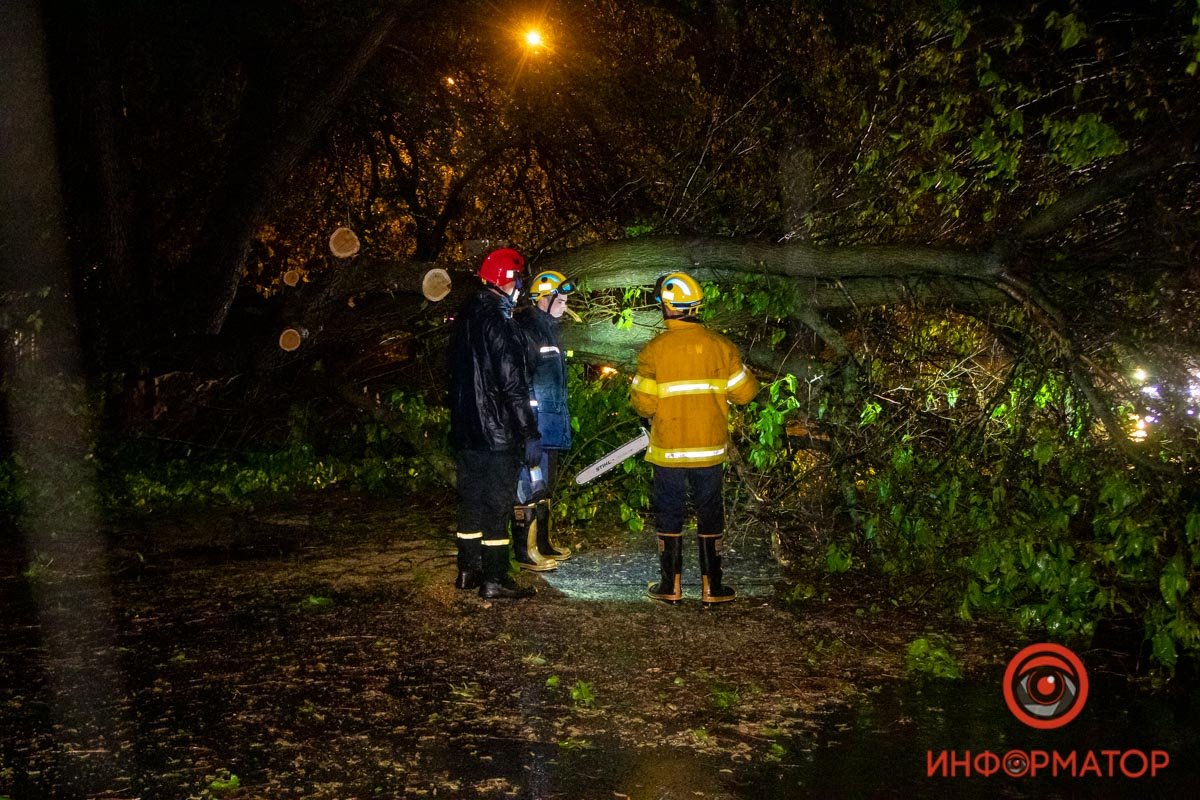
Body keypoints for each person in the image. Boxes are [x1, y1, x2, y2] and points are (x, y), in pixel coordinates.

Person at [630, 272, 760, 604]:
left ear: (667, 307)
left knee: (669, 511)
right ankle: (712, 587)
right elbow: (745, 393)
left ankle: (670, 586)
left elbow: (643, 404)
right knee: (710, 511)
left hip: (669, 451)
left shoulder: (653, 351)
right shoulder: (722, 347)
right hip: (709, 451)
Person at [448, 247, 542, 600]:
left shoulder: (464, 318)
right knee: (497, 506)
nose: (520, 288)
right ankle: (495, 578)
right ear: (509, 281)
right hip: (497, 433)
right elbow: (512, 384)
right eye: (518, 281)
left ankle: (467, 571)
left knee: (470, 502)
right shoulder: (499, 322)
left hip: (466, 431)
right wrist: (529, 431)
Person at [510, 270, 576, 571]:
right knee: (529, 486)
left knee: (544, 487)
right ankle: (526, 551)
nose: (565, 305)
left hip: (550, 424)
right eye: (560, 300)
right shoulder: (526, 330)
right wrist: (527, 429)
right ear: (543, 299)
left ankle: (543, 543)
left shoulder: (549, 331)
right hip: (534, 425)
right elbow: (519, 383)